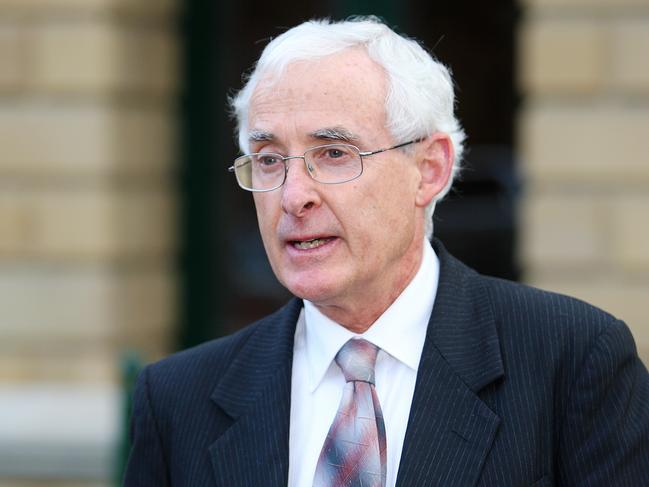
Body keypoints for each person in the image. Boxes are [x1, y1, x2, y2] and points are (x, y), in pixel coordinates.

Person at [124, 17, 649, 487]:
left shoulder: (573, 362)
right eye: (267, 159)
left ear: (430, 169)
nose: (292, 196)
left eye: (332, 154)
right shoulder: (178, 399)